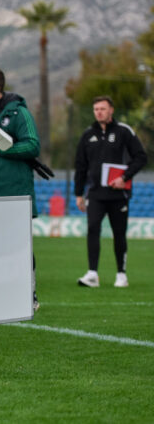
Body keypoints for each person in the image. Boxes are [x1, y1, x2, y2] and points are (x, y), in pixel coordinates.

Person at [74, 96, 147, 288]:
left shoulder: (124, 132)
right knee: (92, 229)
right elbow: (80, 166)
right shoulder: (88, 135)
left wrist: (124, 178)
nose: (99, 112)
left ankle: (121, 274)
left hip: (118, 195)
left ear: (111, 110)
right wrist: (78, 193)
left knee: (119, 233)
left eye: (103, 108)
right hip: (96, 194)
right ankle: (92, 274)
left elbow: (140, 157)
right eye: (96, 109)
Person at [0, 67, 41, 310]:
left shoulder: (18, 112)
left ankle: (30, 294)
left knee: (19, 245)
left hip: (15, 190)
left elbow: (32, 146)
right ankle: (1, 291)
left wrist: (1, 149)